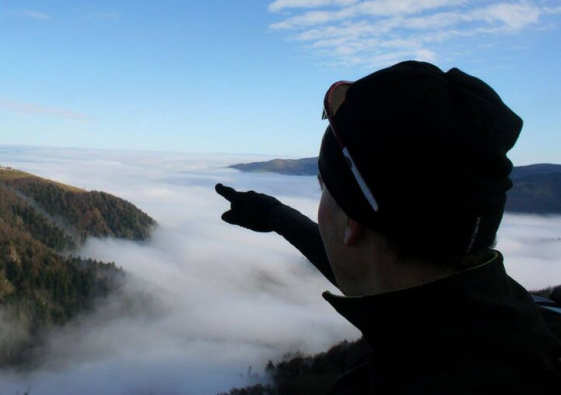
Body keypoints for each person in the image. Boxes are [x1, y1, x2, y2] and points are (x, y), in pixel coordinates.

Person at [216, 60, 561, 393]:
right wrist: (278, 216)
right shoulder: (520, 317)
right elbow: (386, 278)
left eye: (324, 188)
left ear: (353, 222)